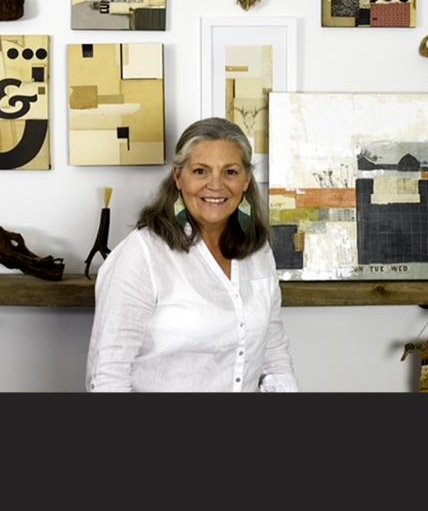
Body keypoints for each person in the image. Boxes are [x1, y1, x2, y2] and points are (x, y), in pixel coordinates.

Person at [86, 117, 299, 392]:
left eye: (230, 172)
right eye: (201, 171)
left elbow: (274, 356)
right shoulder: (142, 254)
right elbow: (107, 374)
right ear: (178, 177)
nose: (215, 185)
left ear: (246, 180)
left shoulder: (258, 251)